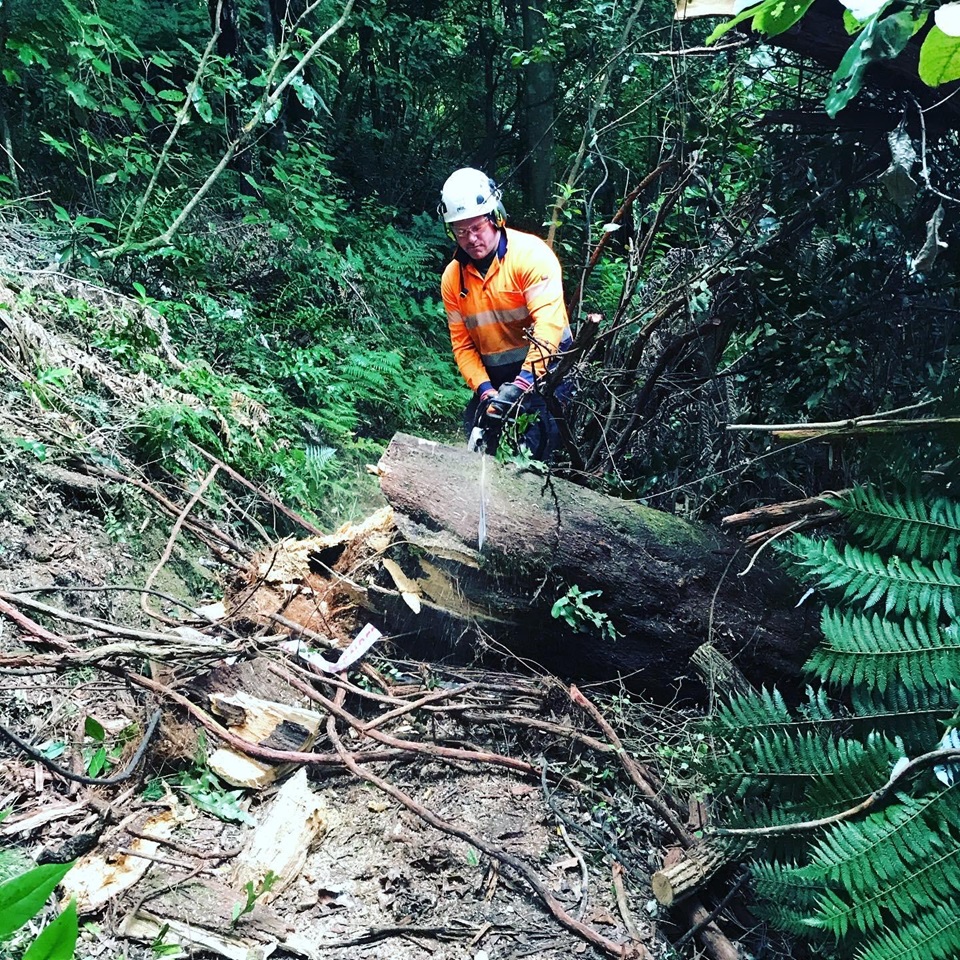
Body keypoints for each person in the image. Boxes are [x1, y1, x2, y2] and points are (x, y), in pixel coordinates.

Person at [438, 167, 573, 460]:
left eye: (476, 228)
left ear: (495, 218)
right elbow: (462, 345)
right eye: (461, 232)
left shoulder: (530, 256)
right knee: (476, 437)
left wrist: (523, 385)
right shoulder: (453, 278)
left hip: (548, 370)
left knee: (534, 446)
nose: (471, 238)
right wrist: (486, 391)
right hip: (497, 377)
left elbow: (548, 328)